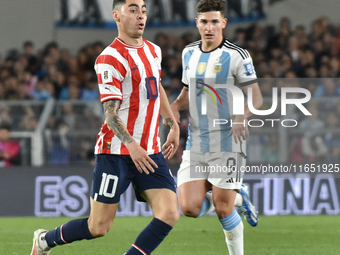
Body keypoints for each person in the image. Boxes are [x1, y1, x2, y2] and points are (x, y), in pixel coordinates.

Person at [30, 0, 180, 254]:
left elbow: (157, 86)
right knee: (98, 227)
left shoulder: (154, 50)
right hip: (116, 152)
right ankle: (44, 240)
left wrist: (171, 122)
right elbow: (110, 113)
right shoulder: (110, 57)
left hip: (150, 150)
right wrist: (131, 145)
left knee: (169, 214)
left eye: (143, 10)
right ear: (117, 16)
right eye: (132, 10)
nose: (140, 15)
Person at [168, 0, 263, 254]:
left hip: (228, 141)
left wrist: (243, 116)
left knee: (223, 209)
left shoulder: (237, 55)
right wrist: (174, 107)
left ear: (224, 23)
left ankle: (235, 202)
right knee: (188, 208)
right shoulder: (189, 53)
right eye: (204, 22)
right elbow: (187, 93)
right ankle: (239, 195)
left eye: (214, 21)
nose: (209, 27)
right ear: (197, 23)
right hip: (196, 142)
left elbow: (256, 97)